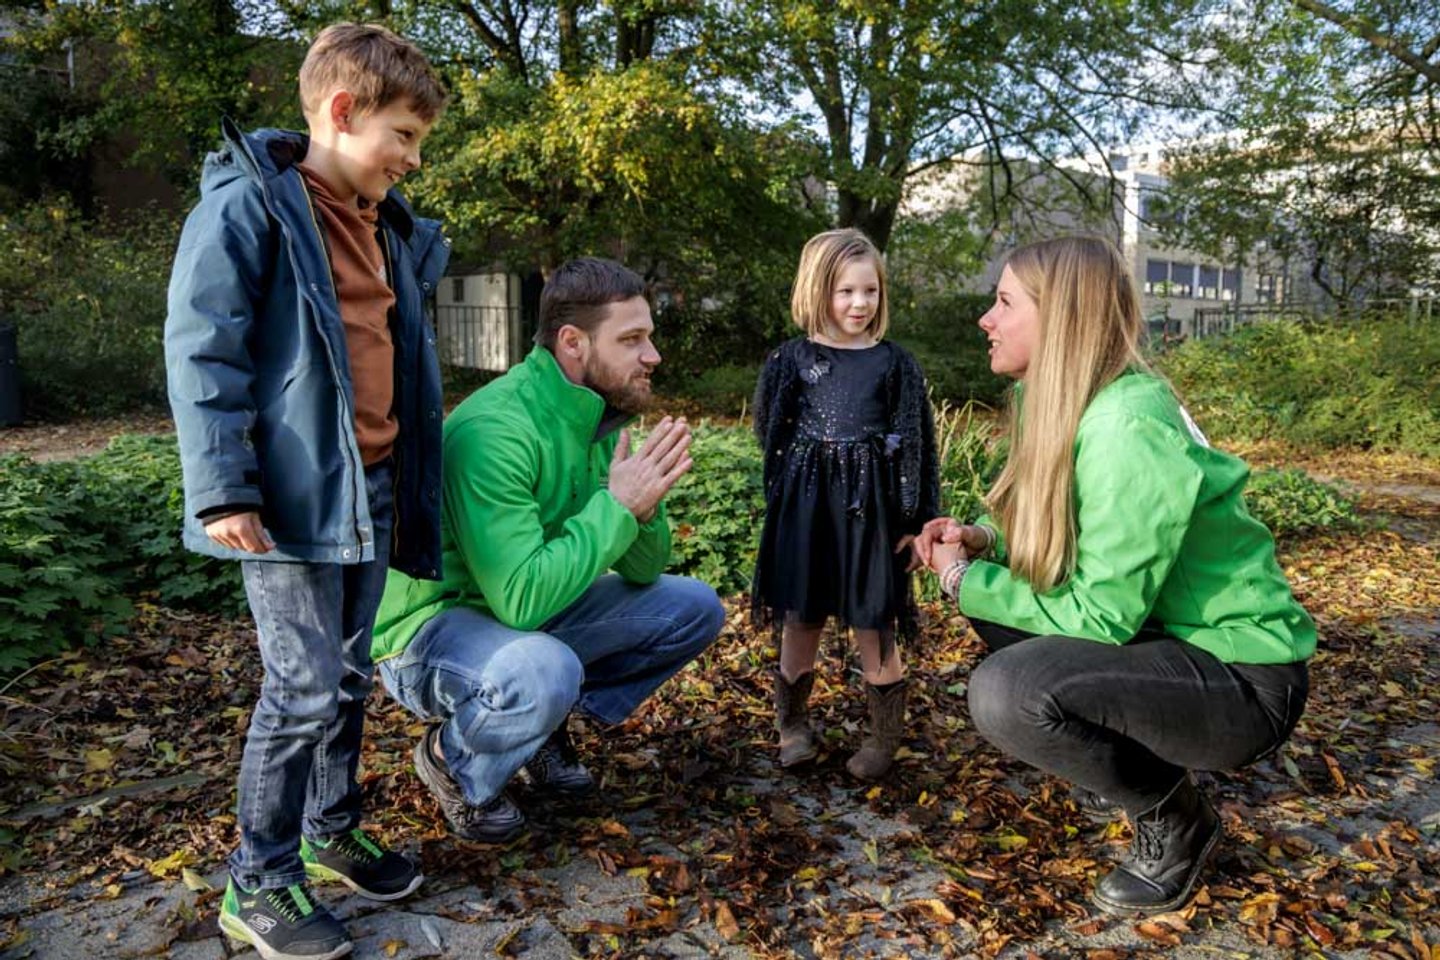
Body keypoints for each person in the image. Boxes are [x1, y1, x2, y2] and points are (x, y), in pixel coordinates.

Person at [915, 235, 1314, 917]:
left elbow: (1100, 614)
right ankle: (1124, 764)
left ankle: (1177, 818)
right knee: (1000, 611)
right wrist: (986, 541)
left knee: (1005, 691)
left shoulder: (1126, 424)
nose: (986, 319)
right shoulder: (1082, 403)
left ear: (1061, 317)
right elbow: (1082, 539)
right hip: (1174, 641)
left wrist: (961, 580)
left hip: (1244, 681)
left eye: (1004, 302)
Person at [164, 22, 448, 960]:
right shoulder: (249, 208)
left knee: (350, 673)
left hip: (370, 485)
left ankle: (331, 829)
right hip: (290, 497)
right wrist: (223, 490)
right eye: (403, 136)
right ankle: (259, 878)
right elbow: (203, 352)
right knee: (301, 684)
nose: (411, 158)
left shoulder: (385, 225)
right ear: (342, 111)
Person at [371, 256, 725, 844]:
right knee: (543, 667)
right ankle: (453, 760)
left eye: (649, 336)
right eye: (632, 339)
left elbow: (644, 569)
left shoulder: (595, 415)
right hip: (429, 632)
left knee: (692, 608)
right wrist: (617, 508)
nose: (653, 355)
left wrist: (641, 507)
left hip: (523, 618)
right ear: (572, 343)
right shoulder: (496, 431)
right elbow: (520, 600)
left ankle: (536, 727)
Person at [752, 228, 940, 780]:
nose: (860, 303)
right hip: (808, 510)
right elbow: (770, 429)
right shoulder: (791, 360)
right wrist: (791, 492)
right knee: (801, 617)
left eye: (870, 291)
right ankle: (793, 725)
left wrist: (916, 518)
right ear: (817, 290)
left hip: (871, 514)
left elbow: (919, 444)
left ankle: (883, 737)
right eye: (846, 291)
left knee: (873, 618)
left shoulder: (895, 364)